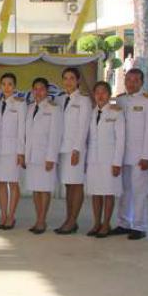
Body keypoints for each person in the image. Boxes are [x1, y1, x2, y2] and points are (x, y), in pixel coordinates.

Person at [112, 68, 148, 240]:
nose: (131, 83)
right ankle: (123, 223)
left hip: (140, 154)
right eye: (128, 80)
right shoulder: (120, 100)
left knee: (139, 191)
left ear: (141, 83)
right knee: (124, 190)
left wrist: (147, 156)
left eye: (135, 80)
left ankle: (139, 226)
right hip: (123, 153)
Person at [85, 82, 125, 238]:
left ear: (109, 95)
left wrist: (117, 162)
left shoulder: (116, 113)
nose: (100, 95)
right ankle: (97, 223)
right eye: (97, 92)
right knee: (95, 192)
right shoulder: (92, 113)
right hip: (93, 160)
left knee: (108, 192)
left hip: (109, 160)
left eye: (103, 92)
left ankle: (106, 224)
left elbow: (120, 140)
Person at [55, 66, 92, 235]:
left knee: (76, 185)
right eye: (65, 78)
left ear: (78, 81)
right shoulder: (60, 99)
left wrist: (77, 150)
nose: (68, 81)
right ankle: (69, 219)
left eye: (72, 78)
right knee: (68, 186)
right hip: (63, 149)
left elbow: (83, 127)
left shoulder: (83, 100)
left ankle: (72, 221)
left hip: (75, 149)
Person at [24, 77, 62, 234]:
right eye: (36, 89)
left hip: (45, 155)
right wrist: (25, 155)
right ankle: (38, 219)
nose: (38, 92)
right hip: (32, 156)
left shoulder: (53, 109)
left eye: (41, 89)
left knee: (45, 189)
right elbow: (27, 135)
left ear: (47, 91)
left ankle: (42, 221)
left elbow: (55, 135)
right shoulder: (30, 108)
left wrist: (51, 157)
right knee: (35, 189)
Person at [0, 73, 26, 230]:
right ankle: (3, 216)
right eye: (4, 84)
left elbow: (22, 130)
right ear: (0, 86)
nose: (7, 87)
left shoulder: (20, 104)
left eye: (10, 84)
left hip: (13, 150)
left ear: (15, 87)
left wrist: (21, 152)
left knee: (13, 183)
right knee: (1, 183)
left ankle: (11, 216)